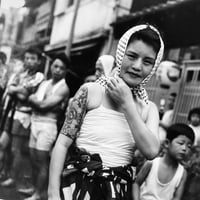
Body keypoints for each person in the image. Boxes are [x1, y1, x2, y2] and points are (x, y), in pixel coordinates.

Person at [48, 24, 164, 200]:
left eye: (147, 61)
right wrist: (53, 193)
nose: (137, 66)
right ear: (120, 54)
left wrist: (127, 104)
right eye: (131, 56)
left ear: (154, 67)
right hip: (76, 187)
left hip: (114, 192)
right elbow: (62, 144)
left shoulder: (149, 108)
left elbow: (151, 151)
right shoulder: (91, 91)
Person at [18, 57, 70, 200]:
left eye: (61, 68)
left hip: (48, 125)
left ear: (66, 71)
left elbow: (43, 105)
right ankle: (35, 189)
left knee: (42, 162)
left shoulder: (64, 86)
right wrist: (36, 101)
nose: (57, 70)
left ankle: (39, 194)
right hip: (35, 122)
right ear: (51, 66)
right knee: (33, 158)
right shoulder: (45, 83)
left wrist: (34, 100)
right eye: (55, 66)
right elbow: (36, 101)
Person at [0, 46, 44, 187]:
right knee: (2, 144)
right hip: (12, 112)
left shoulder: (39, 76)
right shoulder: (22, 73)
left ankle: (13, 178)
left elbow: (24, 95)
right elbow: (11, 88)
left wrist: (16, 90)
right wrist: (17, 90)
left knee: (16, 149)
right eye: (27, 58)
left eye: (32, 58)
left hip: (24, 116)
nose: (29, 61)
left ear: (38, 61)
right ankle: (5, 171)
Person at [133, 123, 194, 200]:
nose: (184, 148)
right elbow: (136, 183)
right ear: (167, 143)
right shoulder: (152, 164)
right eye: (181, 143)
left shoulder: (182, 173)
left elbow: (177, 197)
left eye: (189, 146)